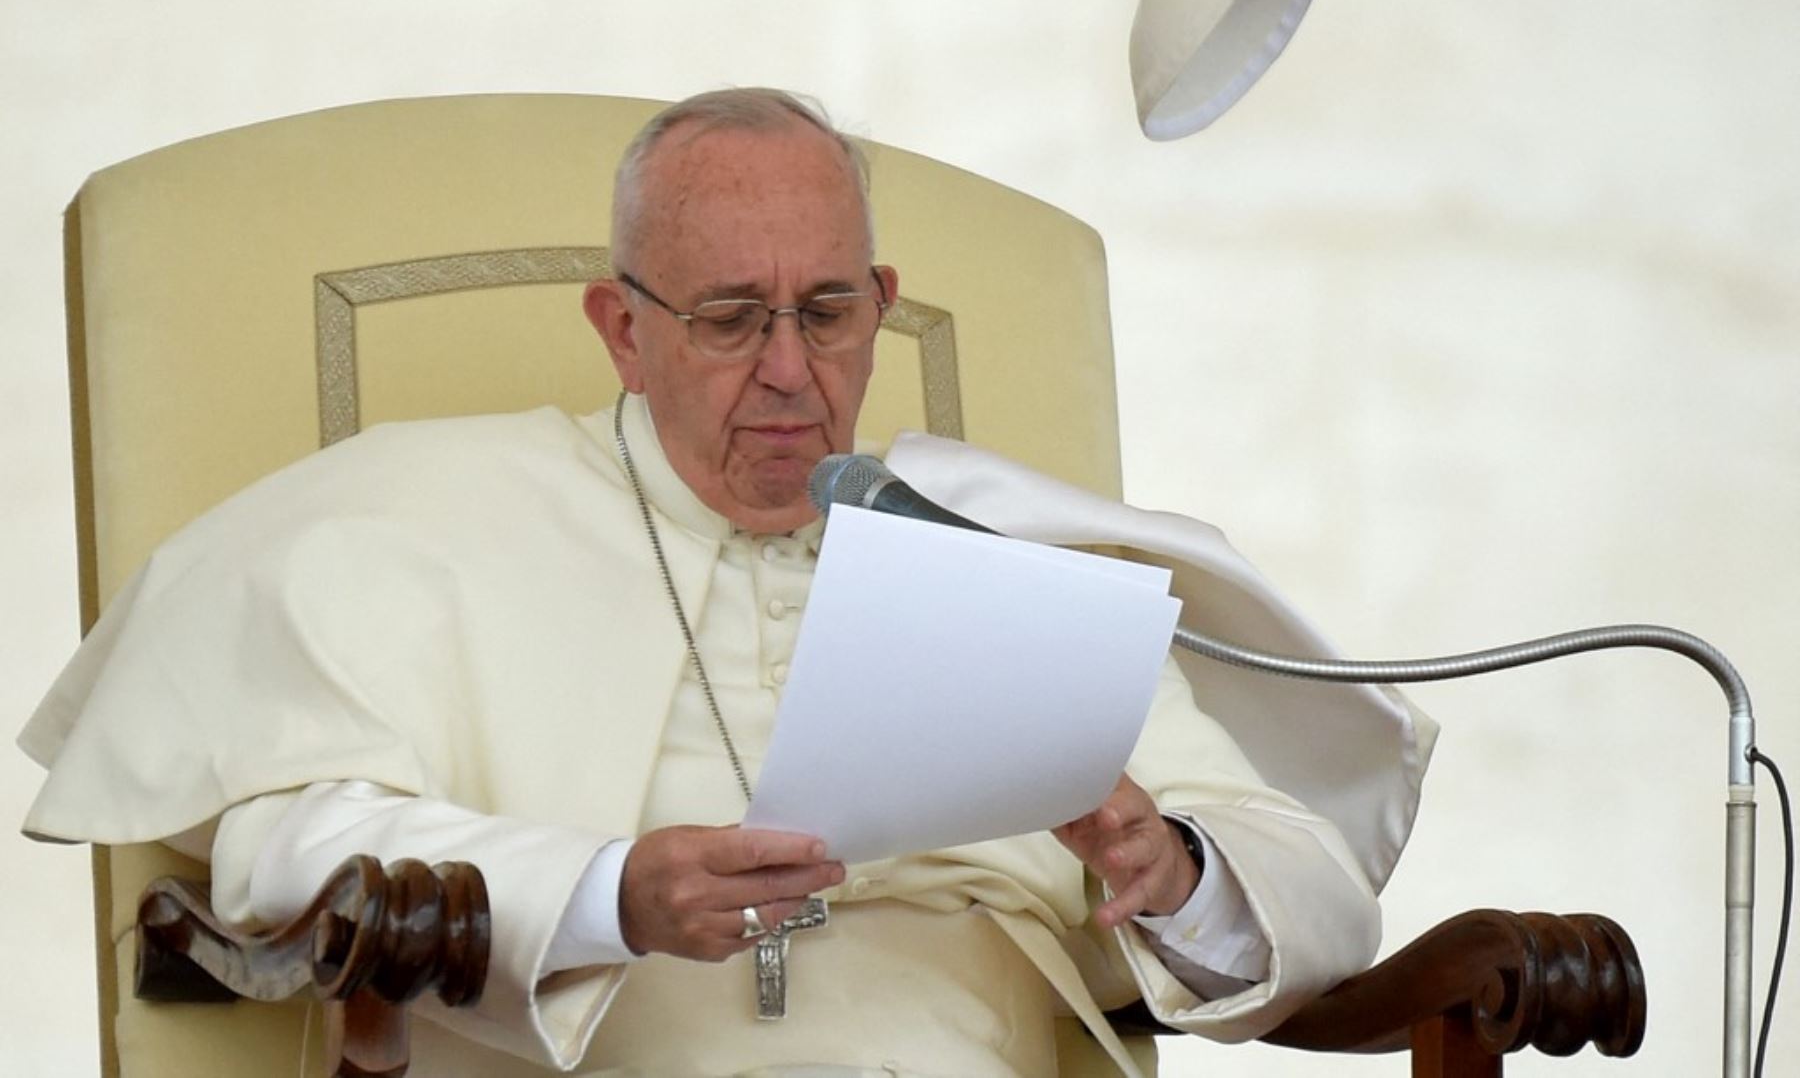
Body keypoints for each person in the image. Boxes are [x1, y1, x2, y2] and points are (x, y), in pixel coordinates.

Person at [21, 88, 1431, 1077]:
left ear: (881, 304)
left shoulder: (991, 547)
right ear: (620, 331)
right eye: (728, 318)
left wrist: (1170, 868)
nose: (788, 371)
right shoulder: (421, 518)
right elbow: (290, 849)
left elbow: (1306, 871)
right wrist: (603, 897)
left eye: (827, 314)